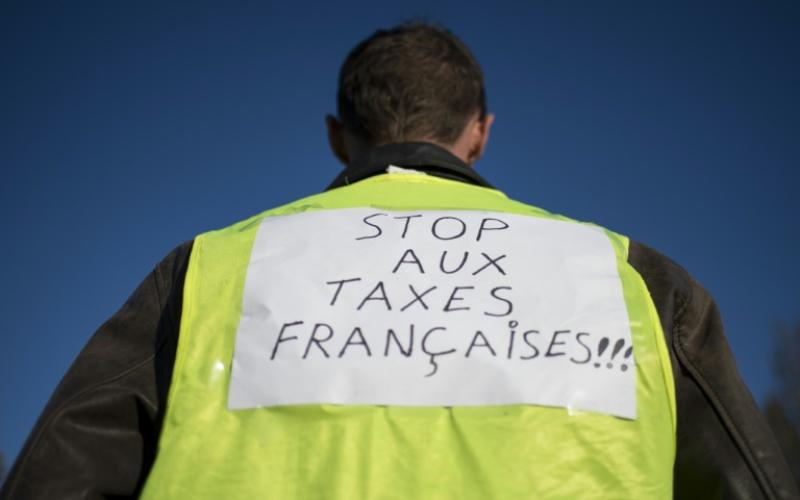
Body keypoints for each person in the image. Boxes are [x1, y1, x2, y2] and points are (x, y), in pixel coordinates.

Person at [1, 22, 797, 500]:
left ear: (338, 135)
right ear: (480, 131)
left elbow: (55, 481)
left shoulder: (210, 269)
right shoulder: (637, 279)